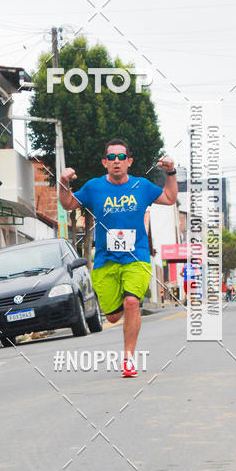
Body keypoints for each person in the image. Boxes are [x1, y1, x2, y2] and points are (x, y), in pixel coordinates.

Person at [59, 138, 177, 378]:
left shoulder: (141, 186)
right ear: (104, 162)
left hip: (137, 256)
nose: (116, 161)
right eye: (111, 157)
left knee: (132, 302)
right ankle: (123, 318)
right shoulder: (94, 188)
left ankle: (128, 358)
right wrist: (63, 182)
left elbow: (169, 198)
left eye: (121, 157)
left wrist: (171, 172)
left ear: (129, 161)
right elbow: (68, 203)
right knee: (113, 315)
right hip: (105, 259)